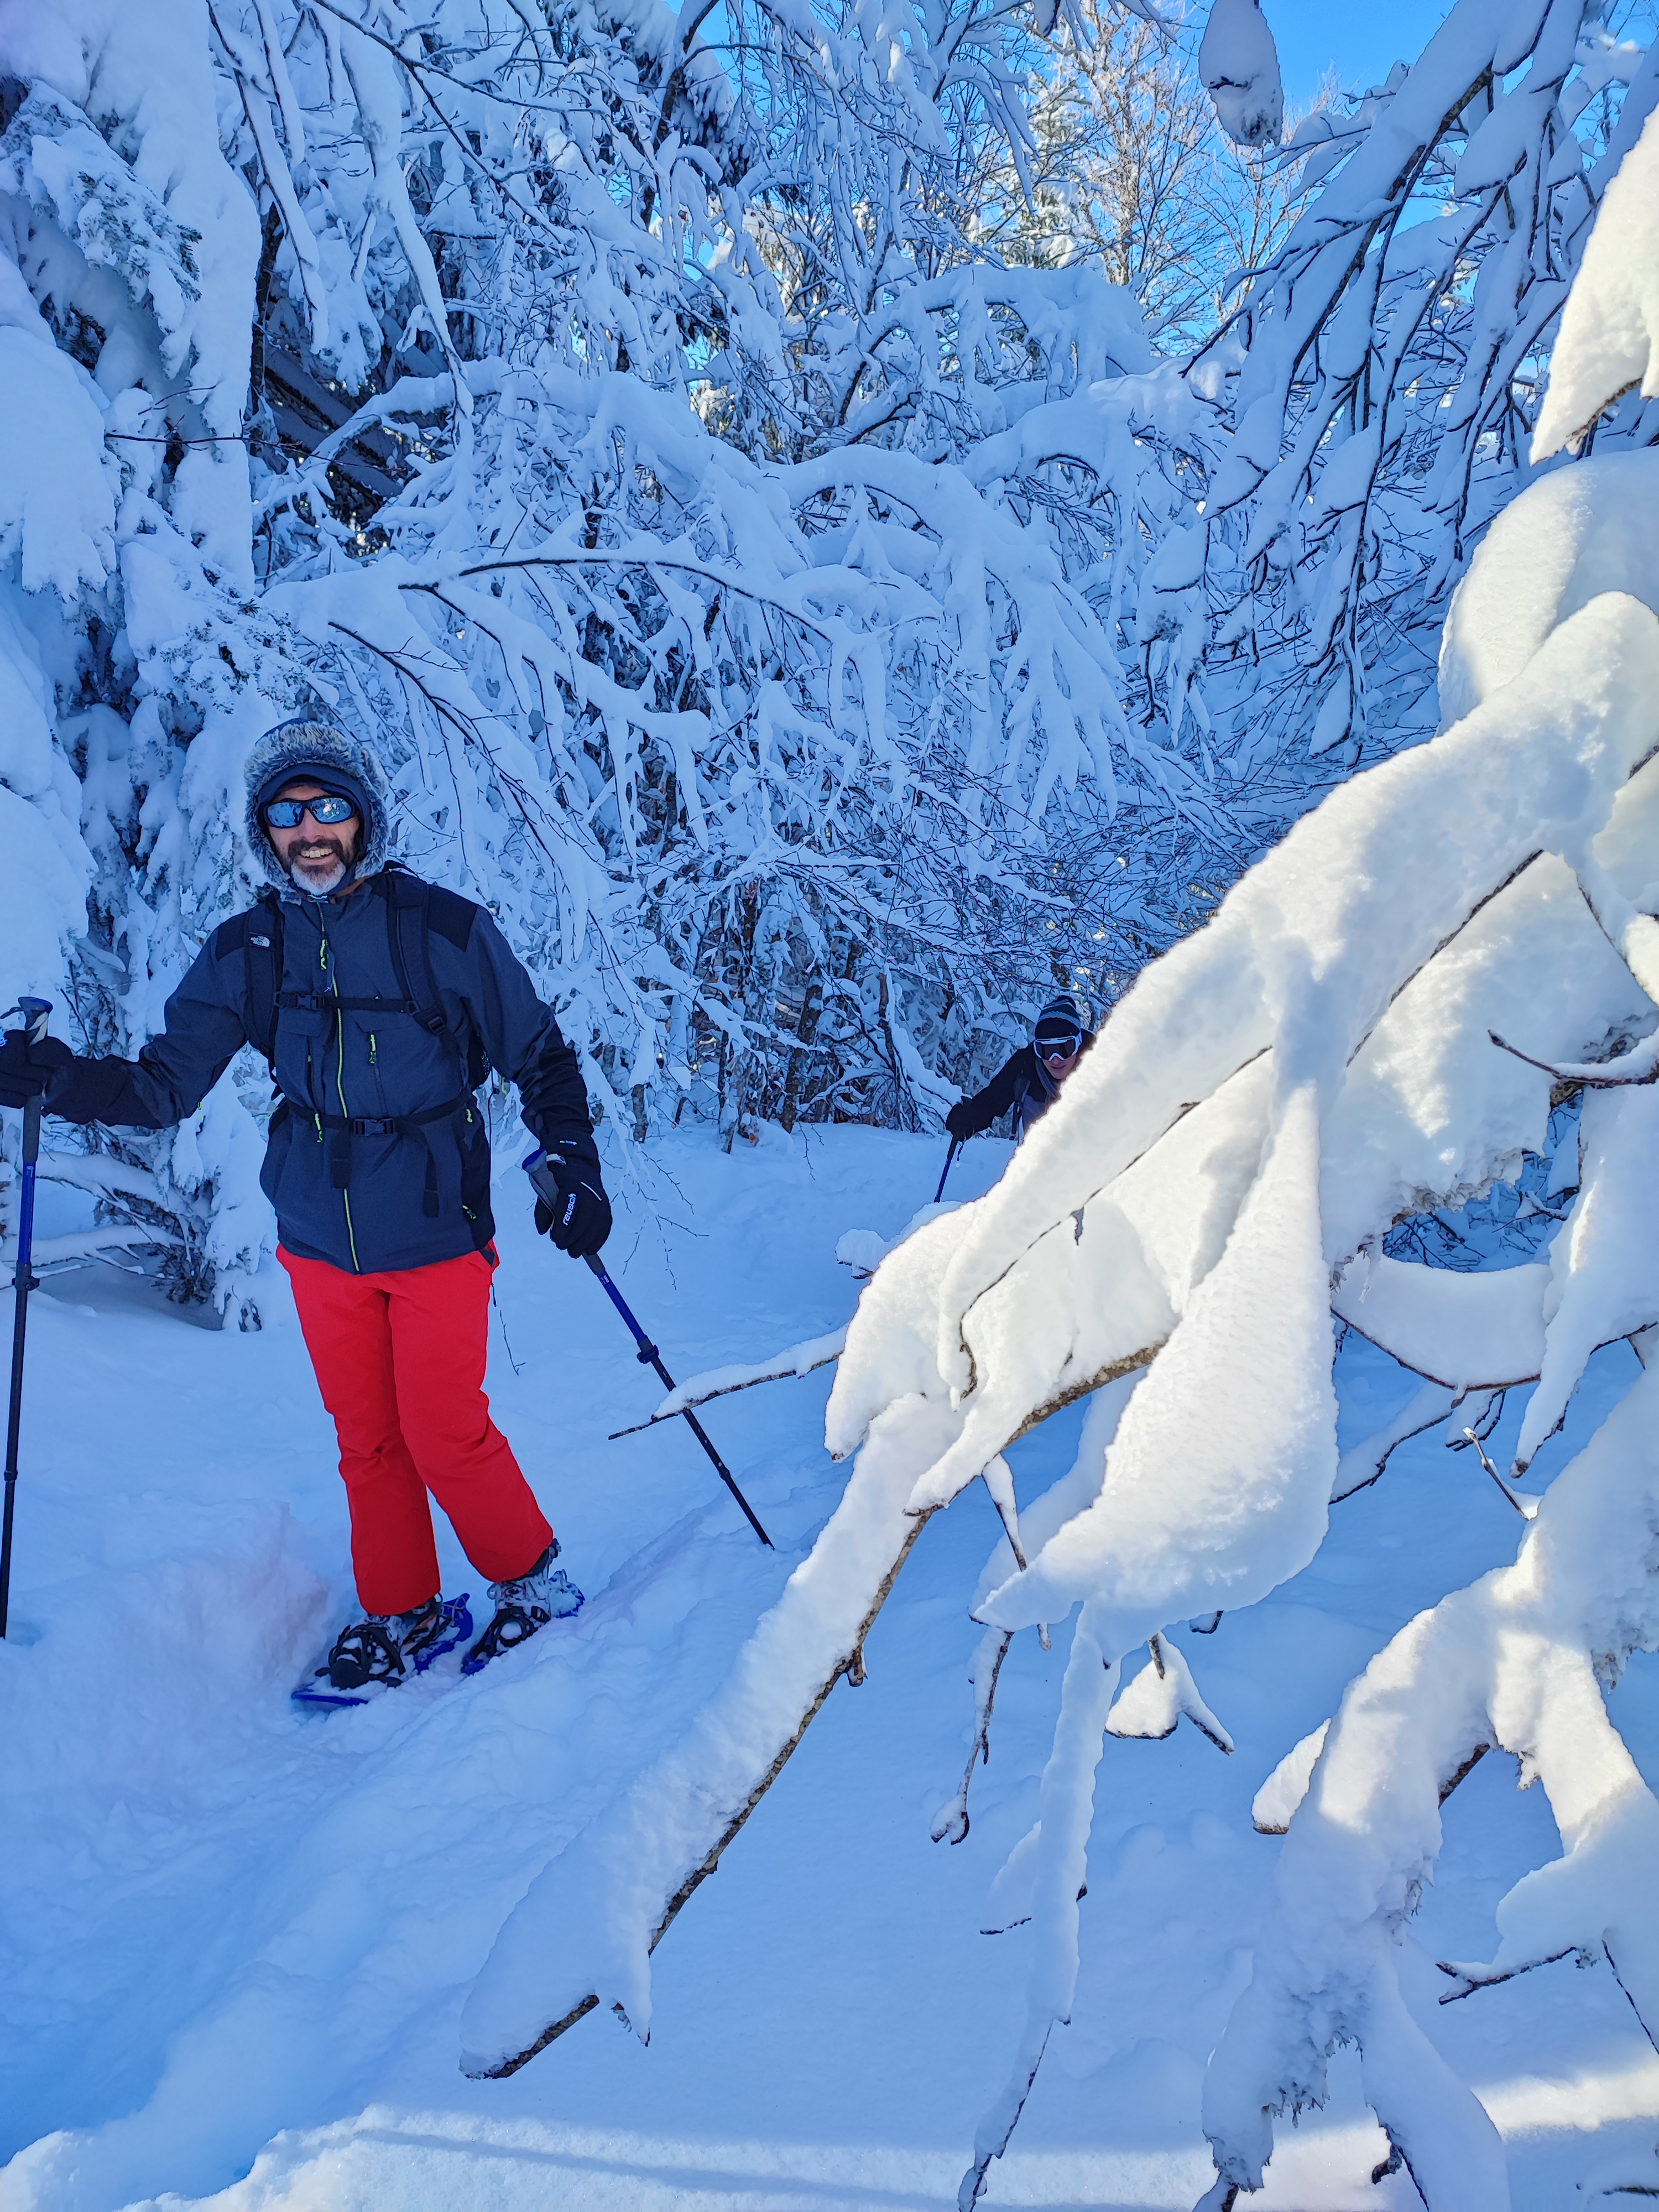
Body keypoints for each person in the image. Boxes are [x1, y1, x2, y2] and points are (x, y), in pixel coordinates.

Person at [0, 717, 609, 1695]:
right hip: (319, 1238)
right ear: (265, 832)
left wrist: (574, 1162)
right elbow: (162, 1088)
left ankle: (532, 1583)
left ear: (365, 818)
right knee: (366, 1439)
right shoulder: (249, 950)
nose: (309, 830)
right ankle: (405, 1609)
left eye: (329, 806)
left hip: (435, 1225)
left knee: (444, 1429)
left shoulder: (443, 929)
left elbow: (539, 1055)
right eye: (287, 813)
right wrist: (56, 1081)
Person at [945, 993, 1095, 1144]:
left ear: (1078, 1044)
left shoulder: (1101, 1066)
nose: (1055, 1059)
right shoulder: (1026, 1065)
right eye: (1046, 1050)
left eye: (1065, 1049)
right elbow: (992, 1100)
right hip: (1041, 1160)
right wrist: (968, 1119)